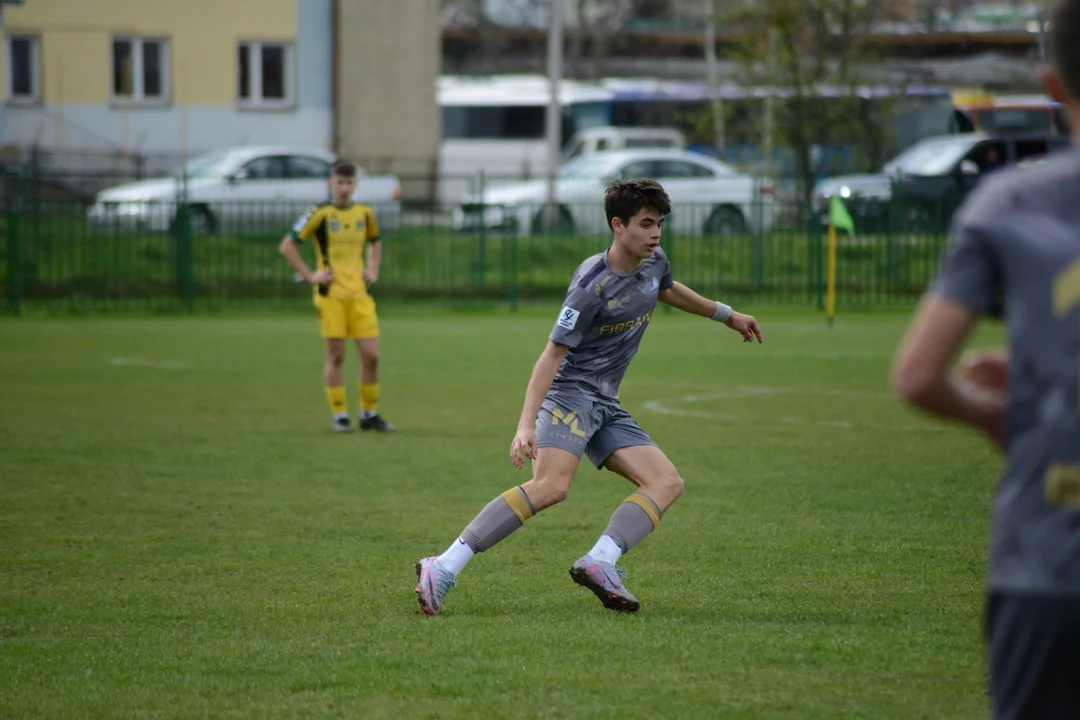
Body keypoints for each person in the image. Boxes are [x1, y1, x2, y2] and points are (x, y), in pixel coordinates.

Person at [414, 178, 763, 615]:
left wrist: (726, 315)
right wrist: (525, 426)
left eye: (660, 225)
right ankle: (443, 566)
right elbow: (550, 357)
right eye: (646, 224)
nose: (656, 234)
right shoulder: (591, 287)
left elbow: (668, 289)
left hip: (605, 402)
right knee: (550, 487)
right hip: (570, 396)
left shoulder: (654, 262)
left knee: (666, 482)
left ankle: (601, 560)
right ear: (618, 226)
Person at [891, 1, 1080, 715]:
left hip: (1047, 562)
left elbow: (917, 376)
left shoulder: (1010, 202)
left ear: (1051, 83)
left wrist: (998, 411)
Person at [278, 159, 395, 433]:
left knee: (372, 356)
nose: (344, 188)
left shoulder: (364, 213)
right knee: (336, 354)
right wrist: (310, 275)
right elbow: (287, 245)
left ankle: (369, 414)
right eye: (339, 182)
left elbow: (376, 242)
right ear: (331, 183)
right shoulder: (318, 213)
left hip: (359, 295)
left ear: (355, 185)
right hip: (330, 295)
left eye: (349, 183)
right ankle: (340, 415)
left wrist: (373, 269)